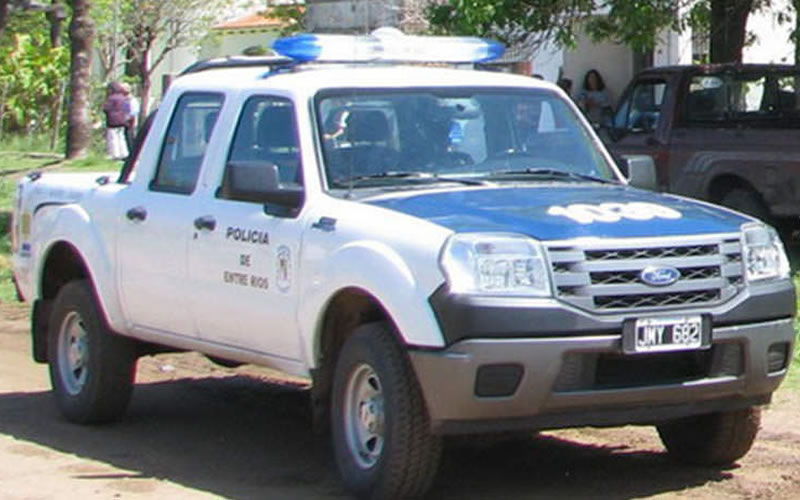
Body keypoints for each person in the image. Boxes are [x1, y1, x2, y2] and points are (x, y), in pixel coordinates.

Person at [103, 82, 132, 160]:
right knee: (121, 137)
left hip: (112, 121)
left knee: (113, 138)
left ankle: (115, 154)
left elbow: (105, 109)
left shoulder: (111, 98)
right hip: (123, 121)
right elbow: (128, 109)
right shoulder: (124, 98)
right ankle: (124, 153)